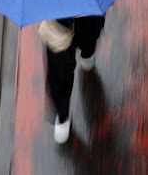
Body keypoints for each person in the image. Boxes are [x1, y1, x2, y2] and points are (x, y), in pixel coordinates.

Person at [39, 16, 105, 144]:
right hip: (59, 19)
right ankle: (63, 113)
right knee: (60, 66)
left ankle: (88, 52)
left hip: (78, 12)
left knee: (89, 30)